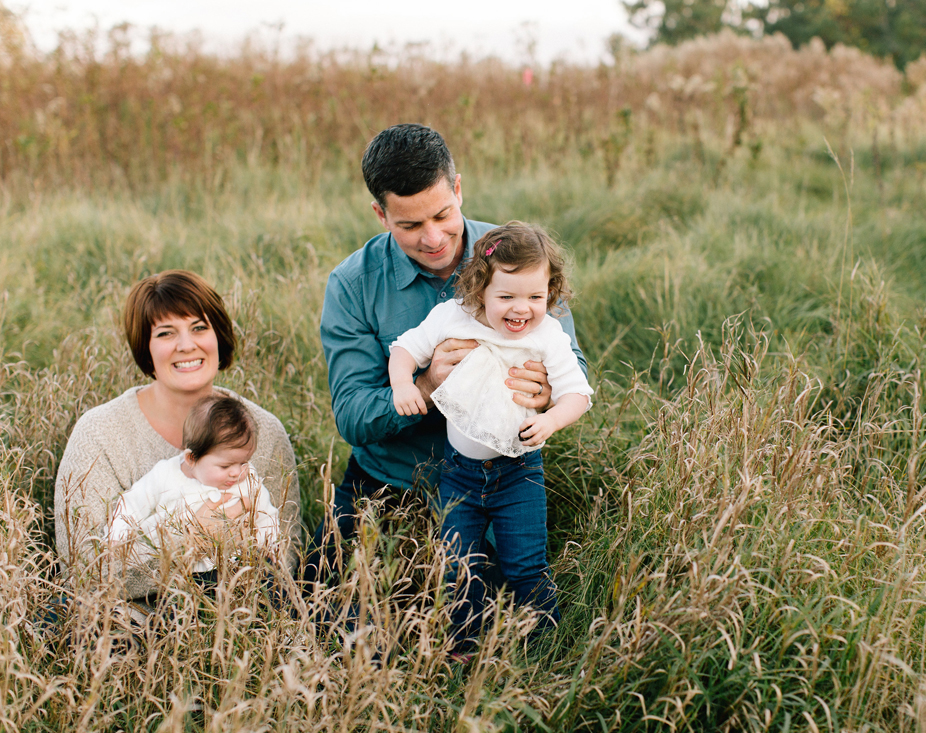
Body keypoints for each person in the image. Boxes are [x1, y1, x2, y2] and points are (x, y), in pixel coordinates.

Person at [309, 123, 587, 587]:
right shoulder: (353, 283)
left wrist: (543, 394)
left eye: (442, 215)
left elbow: (572, 367)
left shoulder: (519, 257)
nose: (434, 238)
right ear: (381, 215)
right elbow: (352, 416)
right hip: (388, 478)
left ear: (457, 190)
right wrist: (425, 386)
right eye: (410, 225)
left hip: (498, 475)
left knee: (504, 598)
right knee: (320, 599)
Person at [389, 222, 593, 649]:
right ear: (481, 289)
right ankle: (464, 645)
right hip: (459, 474)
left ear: (550, 292)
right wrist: (405, 384)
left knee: (525, 566)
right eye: (507, 297)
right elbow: (405, 349)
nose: (522, 310)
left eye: (536, 297)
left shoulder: (547, 334)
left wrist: (551, 420)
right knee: (457, 566)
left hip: (518, 472)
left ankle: (544, 646)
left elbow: (578, 394)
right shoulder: (454, 317)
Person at [54, 270, 301, 602]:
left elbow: (286, 557)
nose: (187, 345)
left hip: (239, 615)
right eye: (166, 333)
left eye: (199, 328)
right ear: (146, 348)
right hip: (132, 623)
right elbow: (83, 571)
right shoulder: (100, 433)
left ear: (219, 337)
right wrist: (186, 540)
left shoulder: (263, 429)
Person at [105, 393, 280, 576]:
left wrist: (269, 545)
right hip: (179, 575)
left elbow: (267, 515)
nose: (237, 472)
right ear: (191, 458)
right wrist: (117, 537)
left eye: (243, 462)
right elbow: (131, 504)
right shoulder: (165, 475)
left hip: (236, 570)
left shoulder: (248, 480)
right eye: (225, 465)